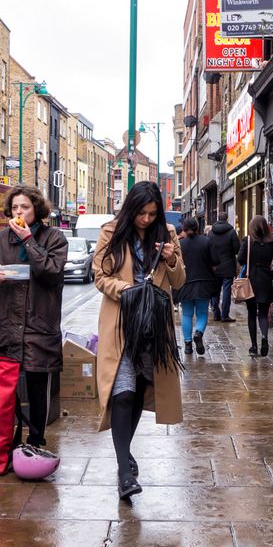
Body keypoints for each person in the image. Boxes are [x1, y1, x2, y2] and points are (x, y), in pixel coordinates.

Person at [93, 181, 186, 499]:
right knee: (122, 391)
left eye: (152, 213)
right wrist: (127, 291)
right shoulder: (111, 232)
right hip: (121, 324)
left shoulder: (168, 234)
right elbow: (100, 276)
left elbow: (179, 280)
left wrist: (171, 259)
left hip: (153, 327)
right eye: (141, 213)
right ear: (131, 209)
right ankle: (123, 472)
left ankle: (125, 453)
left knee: (137, 391)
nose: (146, 219)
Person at [0, 185, 68, 449]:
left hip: (38, 327)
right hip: (7, 327)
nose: (19, 212)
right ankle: (9, 444)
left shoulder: (54, 237)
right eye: (15, 208)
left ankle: (35, 442)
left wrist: (28, 240)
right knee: (5, 392)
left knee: (36, 389)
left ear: (36, 210)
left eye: (25, 207)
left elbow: (51, 271)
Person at [236, 216, 273, 356]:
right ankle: (264, 336)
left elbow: (240, 260)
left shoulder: (247, 241)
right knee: (263, 314)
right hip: (265, 282)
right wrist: (271, 274)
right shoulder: (272, 243)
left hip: (250, 282)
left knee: (252, 314)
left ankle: (253, 347)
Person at [176, 217, 218, 356]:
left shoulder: (180, 244)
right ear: (197, 227)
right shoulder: (207, 242)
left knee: (187, 314)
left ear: (184, 229)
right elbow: (215, 260)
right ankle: (198, 333)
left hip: (185, 283)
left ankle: (188, 345)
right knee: (202, 313)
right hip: (203, 283)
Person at [208, 217, 240, 322]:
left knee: (215, 291)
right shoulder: (231, 232)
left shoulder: (211, 232)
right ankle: (225, 315)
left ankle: (216, 313)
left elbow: (207, 248)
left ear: (218, 219)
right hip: (228, 266)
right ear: (226, 219)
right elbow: (237, 249)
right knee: (227, 291)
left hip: (214, 267)